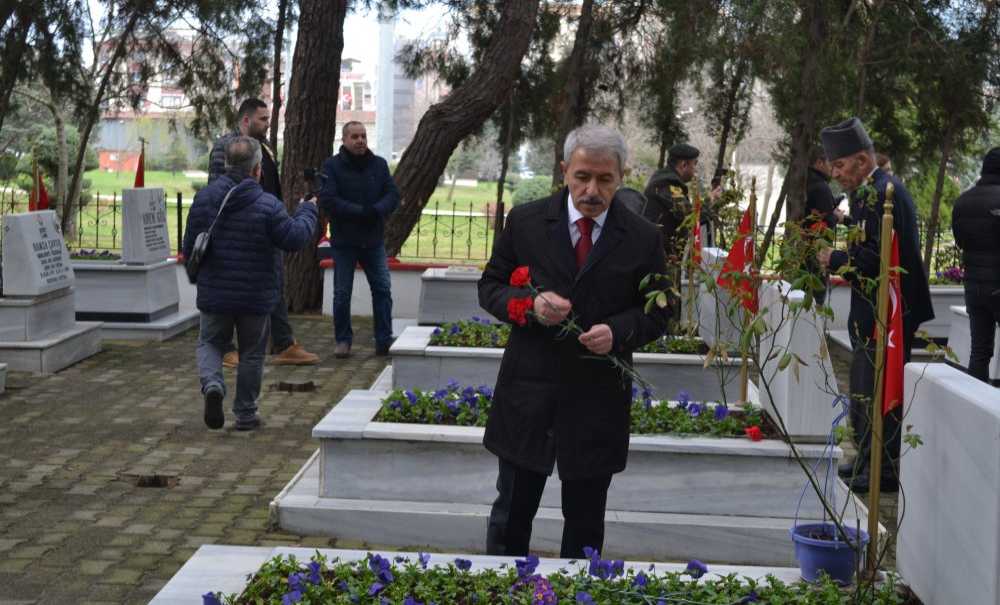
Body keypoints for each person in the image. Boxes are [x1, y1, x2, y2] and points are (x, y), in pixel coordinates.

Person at [479, 124, 669, 559]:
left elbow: (661, 310)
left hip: (597, 400)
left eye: (605, 179)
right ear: (565, 171)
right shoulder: (526, 222)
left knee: (585, 526)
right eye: (582, 176)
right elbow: (491, 286)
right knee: (511, 516)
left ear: (622, 176)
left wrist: (618, 332)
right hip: (529, 393)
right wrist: (529, 307)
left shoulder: (642, 237)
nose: (592, 190)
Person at [815, 117, 933, 492]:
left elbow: (876, 261)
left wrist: (833, 258)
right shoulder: (872, 192)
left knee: (881, 390)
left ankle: (883, 466)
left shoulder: (885, 193)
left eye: (839, 165)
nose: (835, 174)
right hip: (871, 307)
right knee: (864, 388)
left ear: (863, 161)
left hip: (888, 312)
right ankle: (867, 457)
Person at [184, 136, 318, 431]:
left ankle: (213, 386)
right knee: (252, 352)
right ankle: (245, 414)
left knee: (209, 342)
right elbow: (294, 238)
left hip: (215, 291)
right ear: (257, 169)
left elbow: (189, 247)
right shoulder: (267, 204)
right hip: (256, 295)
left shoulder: (204, 199)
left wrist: (197, 276)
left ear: (226, 164)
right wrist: (308, 210)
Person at [208, 98, 320, 367]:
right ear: (246, 120)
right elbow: (218, 190)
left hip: (265, 226)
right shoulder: (225, 147)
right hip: (239, 231)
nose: (267, 124)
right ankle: (225, 347)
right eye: (262, 119)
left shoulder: (264, 147)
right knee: (231, 291)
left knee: (275, 286)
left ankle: (283, 344)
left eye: (268, 119)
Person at [319, 121, 400, 358]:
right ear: (344, 140)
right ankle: (343, 340)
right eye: (354, 136)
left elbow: (392, 194)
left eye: (363, 136)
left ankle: (383, 339)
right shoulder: (331, 167)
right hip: (345, 241)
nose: (360, 140)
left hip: (373, 240)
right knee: (342, 293)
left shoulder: (379, 165)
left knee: (383, 289)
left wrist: (376, 210)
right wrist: (358, 211)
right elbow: (329, 199)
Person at [951, 147, 1000, 384]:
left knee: (979, 351)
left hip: (973, 286)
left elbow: (960, 241)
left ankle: (976, 402)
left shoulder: (963, 201)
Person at [804, 145, 848, 304]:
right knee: (817, 295)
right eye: (830, 163)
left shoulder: (809, 180)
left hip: (806, 246)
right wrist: (837, 217)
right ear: (819, 163)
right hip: (817, 249)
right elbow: (825, 218)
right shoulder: (819, 185)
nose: (832, 169)